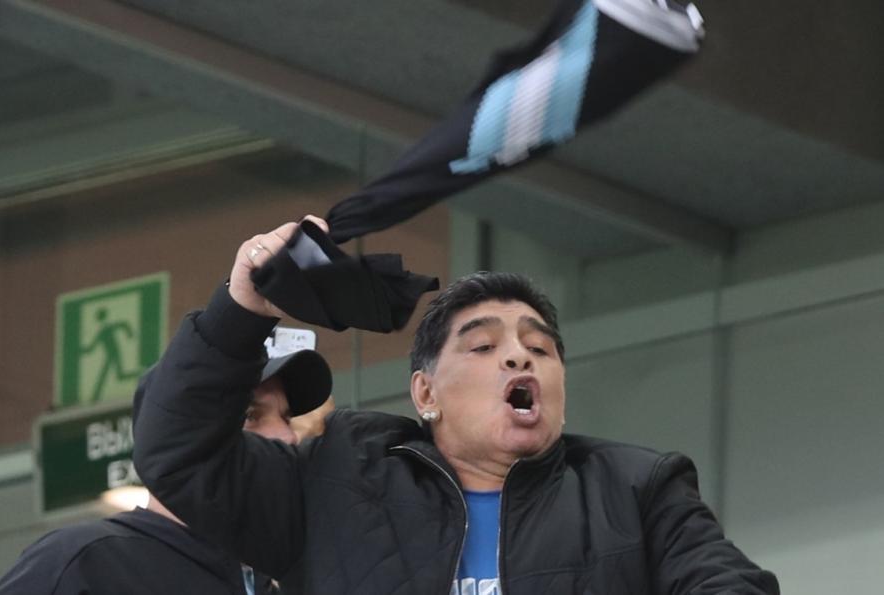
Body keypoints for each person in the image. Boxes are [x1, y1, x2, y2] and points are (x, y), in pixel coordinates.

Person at [133, 216, 780, 594]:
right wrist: (243, 302)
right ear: (425, 393)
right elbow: (177, 451)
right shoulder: (333, 477)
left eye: (539, 347)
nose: (518, 357)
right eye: (482, 346)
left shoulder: (635, 487)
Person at [0, 347, 333, 595]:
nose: (287, 436)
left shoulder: (276, 582)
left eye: (286, 418)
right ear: (174, 435)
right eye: (249, 415)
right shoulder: (84, 562)